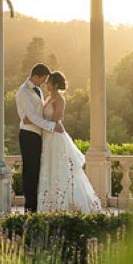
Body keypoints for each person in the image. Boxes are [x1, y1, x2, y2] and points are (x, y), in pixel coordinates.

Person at [34, 71, 102, 213]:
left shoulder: (60, 99)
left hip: (56, 137)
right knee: (49, 167)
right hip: (47, 137)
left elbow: (57, 118)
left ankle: (65, 205)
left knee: (61, 169)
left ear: (55, 84)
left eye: (49, 81)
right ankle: (49, 205)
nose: (46, 83)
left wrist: (40, 123)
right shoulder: (47, 98)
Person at [15, 63, 62, 212]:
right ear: (37, 76)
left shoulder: (38, 91)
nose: (44, 82)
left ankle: (37, 206)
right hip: (28, 136)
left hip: (38, 136)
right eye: (44, 78)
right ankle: (30, 209)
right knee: (30, 172)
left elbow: (37, 115)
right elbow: (32, 117)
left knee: (37, 172)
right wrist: (51, 126)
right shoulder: (23, 92)